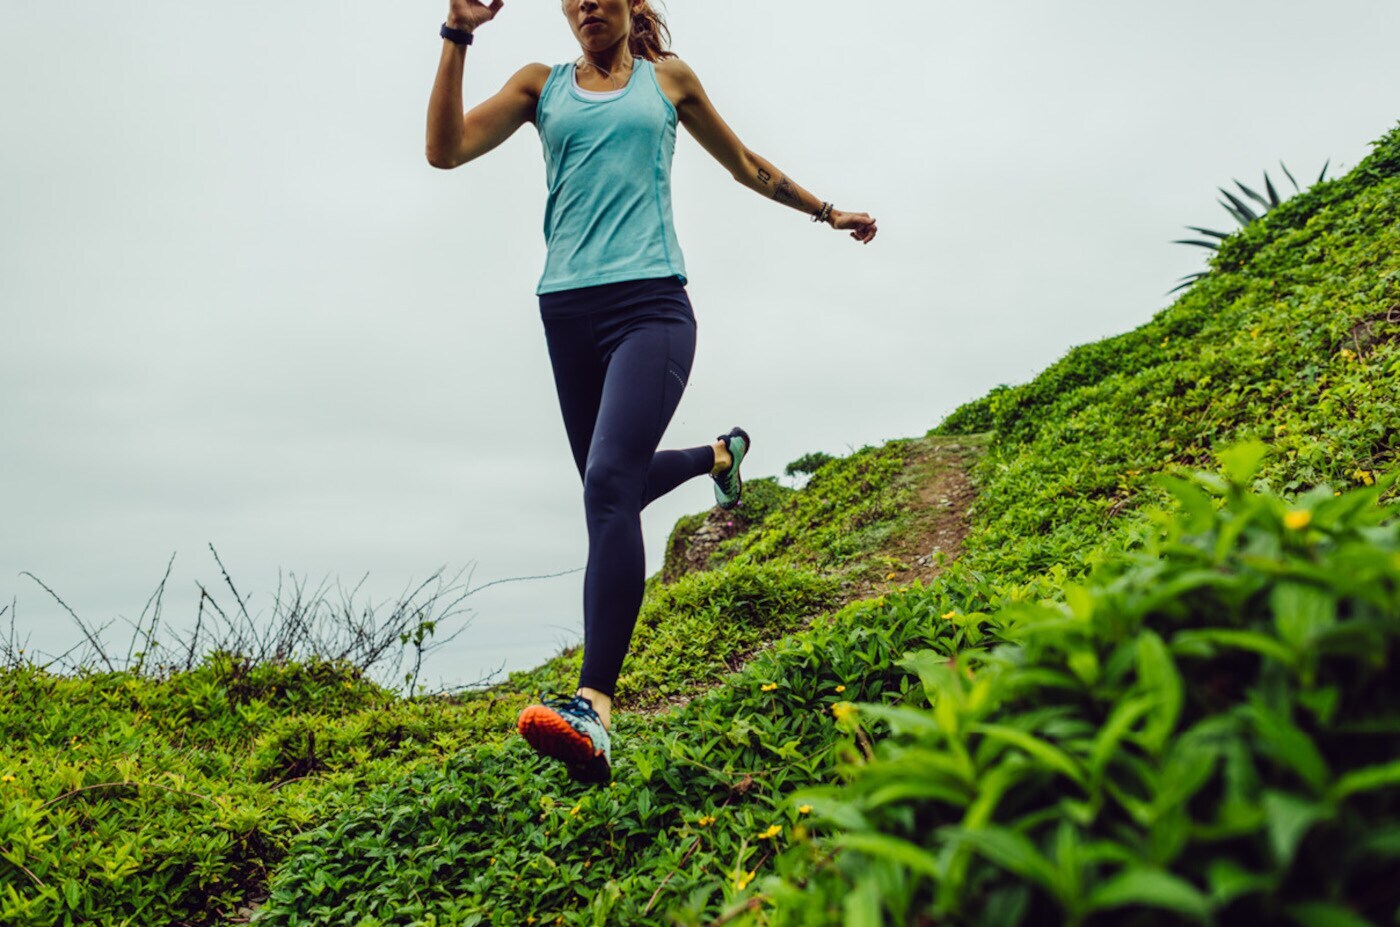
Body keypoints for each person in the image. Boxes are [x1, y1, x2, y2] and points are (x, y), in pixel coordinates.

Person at [426, 0, 878, 784]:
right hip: (566, 312)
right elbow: (445, 150)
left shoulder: (667, 83)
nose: (586, 4)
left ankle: (594, 708)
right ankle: (718, 455)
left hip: (651, 308)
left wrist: (826, 211)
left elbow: (746, 165)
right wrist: (457, 33)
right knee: (616, 491)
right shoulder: (542, 87)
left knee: (607, 484)